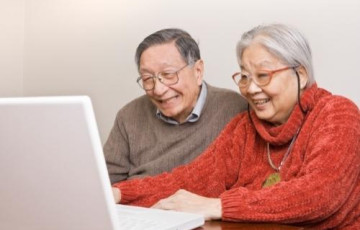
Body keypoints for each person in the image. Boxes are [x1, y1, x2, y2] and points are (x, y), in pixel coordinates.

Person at [111, 24, 360, 229]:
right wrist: (119, 194)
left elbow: (319, 195)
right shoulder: (245, 127)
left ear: (301, 74)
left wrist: (218, 205)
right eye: (244, 76)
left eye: (263, 75)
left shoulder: (337, 113)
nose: (250, 89)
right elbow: (193, 178)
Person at [104, 28, 247, 184]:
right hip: (136, 206)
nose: (158, 89)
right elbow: (104, 182)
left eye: (169, 75)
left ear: (198, 71)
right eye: (147, 78)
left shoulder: (235, 108)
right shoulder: (129, 115)